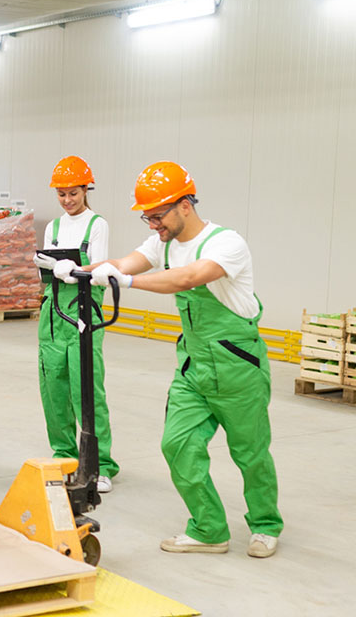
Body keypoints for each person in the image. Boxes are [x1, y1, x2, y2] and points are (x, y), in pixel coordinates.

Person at [81, 161, 283, 558]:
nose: (153, 224)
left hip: (238, 366)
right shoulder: (163, 243)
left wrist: (128, 281)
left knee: (250, 453)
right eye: (147, 217)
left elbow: (189, 277)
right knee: (177, 445)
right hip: (194, 367)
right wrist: (80, 270)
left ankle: (265, 524)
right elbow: (123, 264)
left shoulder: (225, 243)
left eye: (158, 215)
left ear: (185, 206)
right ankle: (209, 529)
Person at [33, 156, 119, 492]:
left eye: (73, 193)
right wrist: (45, 264)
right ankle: (64, 455)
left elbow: (100, 271)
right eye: (61, 194)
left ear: (86, 190)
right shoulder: (53, 227)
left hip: (84, 312)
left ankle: (100, 464)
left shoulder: (97, 224)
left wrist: (73, 271)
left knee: (87, 389)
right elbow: (47, 269)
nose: (67, 200)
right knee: (53, 389)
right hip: (53, 313)